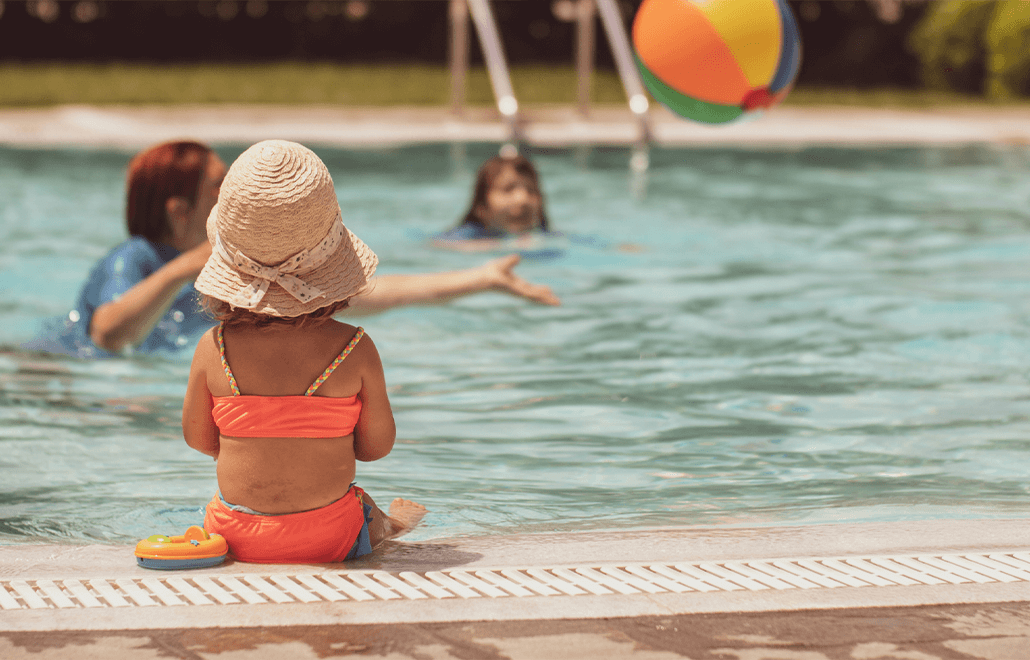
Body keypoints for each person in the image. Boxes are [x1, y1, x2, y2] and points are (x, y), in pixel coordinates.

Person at [44, 140, 558, 358]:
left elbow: (356, 293)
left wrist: (477, 279)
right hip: (61, 370)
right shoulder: (132, 259)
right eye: (221, 186)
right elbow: (108, 335)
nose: (235, 195)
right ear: (180, 210)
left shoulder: (237, 267)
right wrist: (185, 267)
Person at [182, 140, 425, 562]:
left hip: (235, 536)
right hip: (331, 535)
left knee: (219, 503)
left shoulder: (212, 347)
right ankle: (387, 525)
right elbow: (375, 448)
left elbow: (200, 439)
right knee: (368, 510)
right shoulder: (354, 348)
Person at [433, 153, 556, 250]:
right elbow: (438, 245)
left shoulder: (548, 238)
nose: (522, 199)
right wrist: (504, 246)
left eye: (531, 190)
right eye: (508, 189)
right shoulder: (467, 235)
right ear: (481, 208)